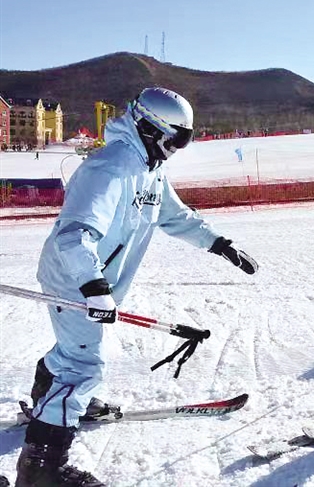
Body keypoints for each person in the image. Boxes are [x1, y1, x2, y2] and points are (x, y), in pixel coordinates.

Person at [15, 88, 257, 487]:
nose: (176, 150)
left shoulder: (149, 168)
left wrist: (219, 244)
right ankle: (41, 469)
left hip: (97, 279)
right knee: (83, 365)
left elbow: (174, 216)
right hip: (74, 278)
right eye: (175, 140)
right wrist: (93, 286)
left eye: (184, 141)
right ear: (149, 129)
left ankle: (51, 396)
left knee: (77, 351)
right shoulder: (108, 168)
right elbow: (74, 236)